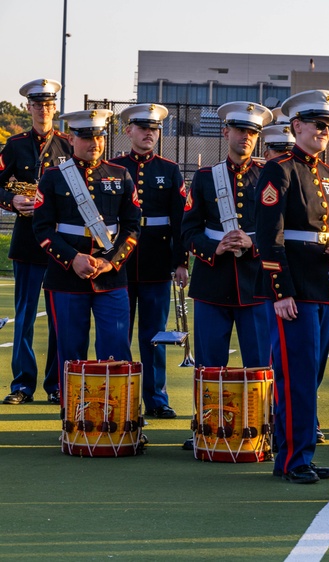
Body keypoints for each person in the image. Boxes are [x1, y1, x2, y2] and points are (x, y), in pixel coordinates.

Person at [255, 90, 329, 484]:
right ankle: (292, 458)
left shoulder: (328, 175)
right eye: (317, 124)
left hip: (324, 286)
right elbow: (268, 235)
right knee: (296, 378)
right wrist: (281, 290)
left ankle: (300, 451)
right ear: (296, 127)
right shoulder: (280, 169)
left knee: (313, 375)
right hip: (296, 289)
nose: (324, 131)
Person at [180, 102, 272, 448]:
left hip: (255, 284)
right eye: (240, 130)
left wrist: (253, 242)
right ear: (226, 133)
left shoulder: (269, 176)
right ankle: (205, 428)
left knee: (259, 365)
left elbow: (278, 230)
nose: (246, 137)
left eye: (252, 132)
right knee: (209, 365)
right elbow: (188, 230)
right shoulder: (205, 178)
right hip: (212, 282)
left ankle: (262, 427)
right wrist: (212, 249)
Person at [32, 109, 140, 371]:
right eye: (87, 137)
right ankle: (72, 408)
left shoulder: (121, 174)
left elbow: (132, 227)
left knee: (116, 349)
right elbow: (42, 228)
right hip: (67, 276)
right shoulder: (53, 176)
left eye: (100, 137)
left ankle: (116, 409)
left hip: (111, 277)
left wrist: (109, 262)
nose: (95, 143)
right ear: (71, 138)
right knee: (70, 351)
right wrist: (72, 258)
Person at [110, 104, 187, 420]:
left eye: (153, 129)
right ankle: (119, 397)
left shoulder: (170, 170)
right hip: (118, 263)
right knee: (118, 333)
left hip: (156, 261)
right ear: (128, 131)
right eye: (142, 128)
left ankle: (156, 397)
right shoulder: (112, 167)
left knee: (154, 335)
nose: (148, 134)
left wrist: (181, 262)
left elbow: (181, 220)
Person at [0, 79, 71, 405]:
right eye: (37, 104)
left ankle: (55, 385)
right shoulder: (15, 145)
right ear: (29, 108)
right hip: (27, 240)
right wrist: (11, 202)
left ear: (55, 108)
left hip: (60, 242)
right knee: (25, 315)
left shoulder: (69, 144)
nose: (43, 109)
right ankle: (22, 385)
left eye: (48, 104)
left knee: (59, 317)